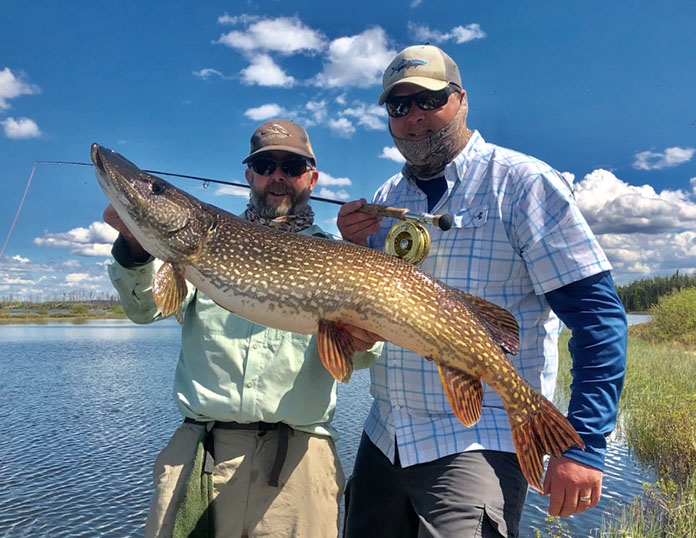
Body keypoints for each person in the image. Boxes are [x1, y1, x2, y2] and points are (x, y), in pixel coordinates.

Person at [337, 45, 627, 537]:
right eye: (398, 106)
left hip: (478, 440)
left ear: (461, 99)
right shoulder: (388, 198)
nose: (414, 118)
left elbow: (599, 318)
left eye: (428, 100)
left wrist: (583, 447)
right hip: (384, 436)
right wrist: (355, 245)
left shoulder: (523, 183)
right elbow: (378, 310)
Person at [103, 119, 381, 538]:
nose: (278, 177)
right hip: (200, 454)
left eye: (292, 166)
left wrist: (361, 334)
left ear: (312, 177)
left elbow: (359, 359)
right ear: (249, 174)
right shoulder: (202, 241)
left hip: (299, 464)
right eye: (266, 165)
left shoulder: (340, 256)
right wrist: (135, 245)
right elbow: (144, 309)